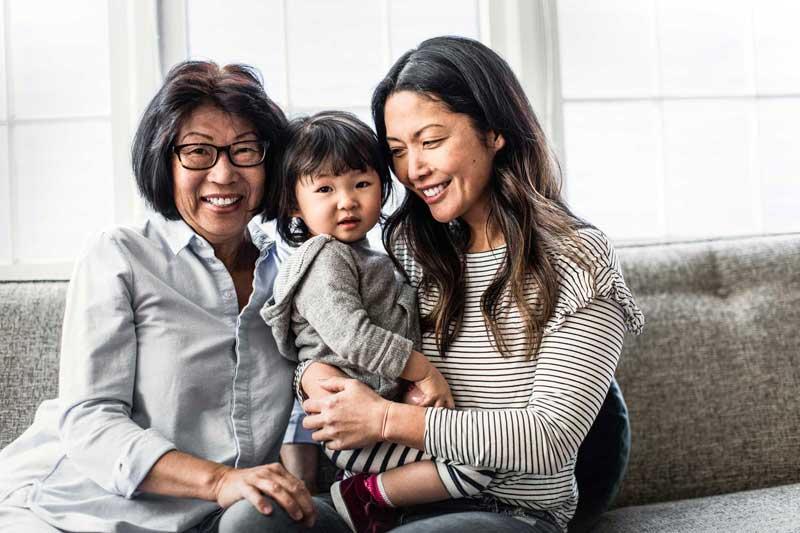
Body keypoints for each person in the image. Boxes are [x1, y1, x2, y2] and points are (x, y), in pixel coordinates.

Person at [300, 36, 645, 533]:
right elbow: (340, 338)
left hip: (511, 512)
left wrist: (383, 420)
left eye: (431, 141)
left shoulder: (577, 259)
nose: (414, 170)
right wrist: (315, 379)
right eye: (398, 151)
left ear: (494, 131)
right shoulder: (409, 249)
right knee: (256, 519)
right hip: (390, 496)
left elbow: (552, 436)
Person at [0, 61, 340, 533]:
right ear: (164, 160)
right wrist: (219, 479)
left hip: (216, 519)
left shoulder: (294, 273)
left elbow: (313, 383)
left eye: (245, 151)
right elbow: (91, 421)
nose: (224, 175)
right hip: (69, 509)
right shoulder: (121, 256)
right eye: (198, 152)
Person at [260, 111, 496, 532]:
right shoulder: (323, 258)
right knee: (476, 464)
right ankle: (360, 498)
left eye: (361, 185)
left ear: (383, 189)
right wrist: (422, 373)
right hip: (352, 427)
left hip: (382, 416)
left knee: (467, 463)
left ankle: (381, 501)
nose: (346, 200)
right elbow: (352, 337)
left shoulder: (375, 258)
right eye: (326, 189)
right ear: (294, 204)